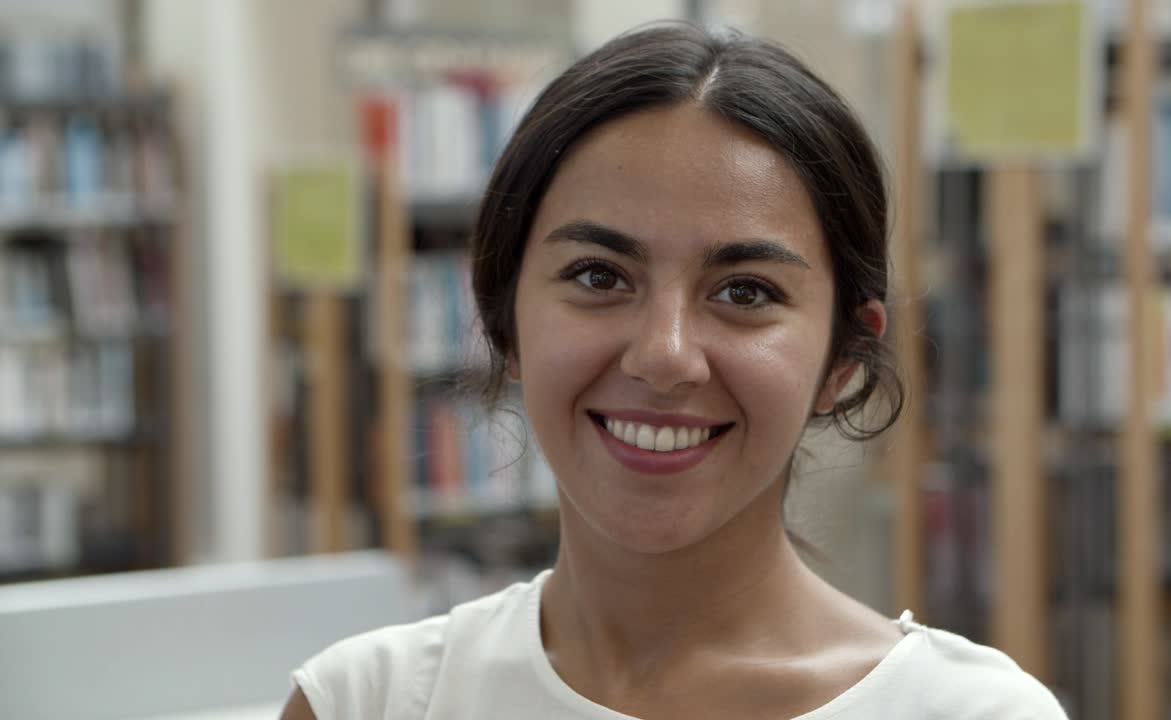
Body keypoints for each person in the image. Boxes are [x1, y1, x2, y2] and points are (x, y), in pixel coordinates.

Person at [282, 22, 1068, 720]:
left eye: (746, 292)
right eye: (599, 276)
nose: (664, 355)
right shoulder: (368, 701)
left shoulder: (971, 711)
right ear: (503, 316)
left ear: (841, 359)